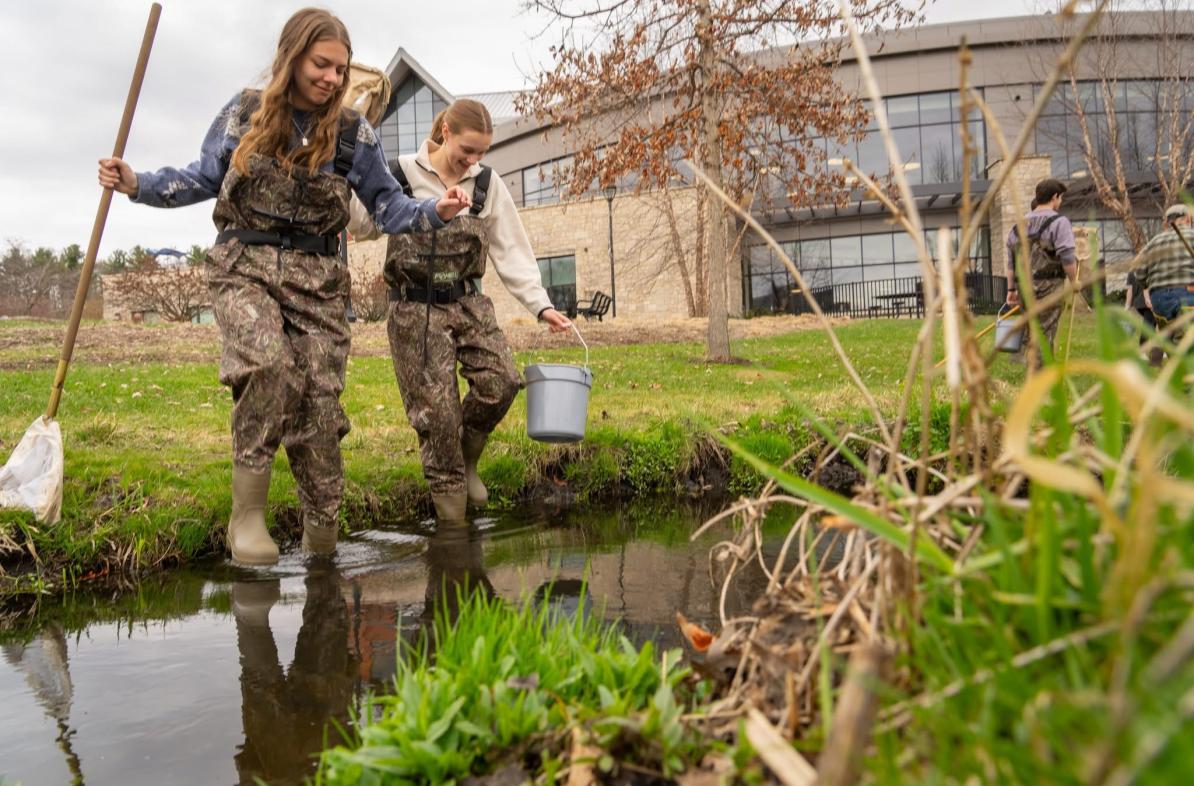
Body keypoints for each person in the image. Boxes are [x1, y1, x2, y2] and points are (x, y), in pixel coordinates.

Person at [97, 9, 472, 565]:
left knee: (320, 408)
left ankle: (322, 543)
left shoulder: (354, 132)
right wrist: (138, 184)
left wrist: (433, 211)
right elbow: (201, 176)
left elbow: (388, 207)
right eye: (322, 65)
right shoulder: (245, 113)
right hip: (244, 264)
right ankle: (246, 515)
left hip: (320, 284)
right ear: (293, 57)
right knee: (269, 366)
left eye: (341, 70)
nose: (332, 78)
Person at [363, 99, 572, 523]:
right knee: (437, 415)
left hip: (468, 301)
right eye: (468, 150)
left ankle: (466, 459)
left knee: (503, 381)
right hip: (414, 309)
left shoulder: (486, 185)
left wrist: (541, 306)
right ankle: (452, 524)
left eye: (482, 153)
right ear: (445, 133)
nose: (474, 160)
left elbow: (512, 249)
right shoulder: (400, 174)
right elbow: (361, 222)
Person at [1005, 178, 1079, 369]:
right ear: (1055, 197)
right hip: (1049, 286)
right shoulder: (1059, 222)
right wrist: (1074, 281)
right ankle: (1041, 383)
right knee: (1045, 333)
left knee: (1032, 332)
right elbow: (1067, 256)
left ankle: (1032, 374)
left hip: (1023, 288)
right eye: (1060, 198)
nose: (1060, 202)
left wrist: (1011, 289)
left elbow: (1011, 263)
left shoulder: (1017, 227)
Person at [1136, 202, 1194, 364]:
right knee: (1186, 342)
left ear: (1167, 222)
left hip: (1159, 299)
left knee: (1169, 333)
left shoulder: (1154, 241)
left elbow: (1138, 271)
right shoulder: (1192, 236)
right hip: (1188, 294)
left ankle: (1157, 360)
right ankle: (1185, 382)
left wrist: (1147, 285)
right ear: (1188, 218)